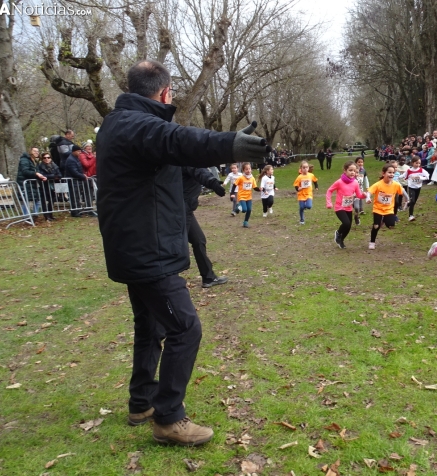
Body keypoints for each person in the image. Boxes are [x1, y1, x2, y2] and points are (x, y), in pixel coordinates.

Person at [95, 59, 269, 446]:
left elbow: (177, 152)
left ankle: (141, 402)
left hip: (134, 248)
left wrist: (209, 172)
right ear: (165, 92)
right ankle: (168, 418)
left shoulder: (117, 124)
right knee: (185, 328)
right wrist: (230, 144)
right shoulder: (136, 126)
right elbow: (178, 140)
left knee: (150, 327)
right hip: (146, 252)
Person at [366, 162, 408, 250]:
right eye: (389, 172)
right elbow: (369, 191)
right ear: (383, 173)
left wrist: (407, 198)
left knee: (391, 225)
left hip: (389, 209)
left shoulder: (396, 184)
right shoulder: (378, 184)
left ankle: (384, 220)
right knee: (376, 226)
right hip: (378, 209)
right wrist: (368, 198)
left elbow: (402, 190)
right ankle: (372, 242)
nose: (391, 174)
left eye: (393, 173)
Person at [326, 160, 366, 249]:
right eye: (350, 170)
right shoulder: (339, 182)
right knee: (346, 223)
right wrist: (329, 202)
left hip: (348, 207)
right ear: (345, 170)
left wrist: (364, 195)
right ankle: (338, 233)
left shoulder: (355, 183)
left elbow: (359, 195)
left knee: (348, 227)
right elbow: (329, 190)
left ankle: (341, 240)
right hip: (339, 207)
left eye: (354, 171)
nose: (353, 173)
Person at [64, 145, 96, 217]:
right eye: (78, 151)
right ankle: (75, 212)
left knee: (77, 196)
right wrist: (83, 176)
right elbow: (74, 171)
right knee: (74, 196)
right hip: (73, 181)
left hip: (78, 180)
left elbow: (79, 169)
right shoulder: (71, 160)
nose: (79, 152)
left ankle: (78, 210)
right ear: (74, 151)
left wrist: (83, 174)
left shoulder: (76, 158)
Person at [16, 147, 45, 215]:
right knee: (26, 201)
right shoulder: (24, 160)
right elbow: (25, 171)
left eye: (37, 151)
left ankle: (35, 214)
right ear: (30, 151)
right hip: (25, 183)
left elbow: (36, 171)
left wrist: (41, 177)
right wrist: (36, 174)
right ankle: (26, 217)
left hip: (33, 183)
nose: (36, 152)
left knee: (37, 200)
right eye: (34, 151)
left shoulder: (34, 161)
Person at [36, 152, 61, 221]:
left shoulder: (54, 165)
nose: (47, 159)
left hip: (53, 186)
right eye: (45, 158)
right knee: (44, 201)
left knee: (52, 200)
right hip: (44, 186)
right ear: (42, 159)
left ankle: (50, 215)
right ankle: (46, 216)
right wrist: (53, 177)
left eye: (48, 157)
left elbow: (59, 175)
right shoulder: (40, 166)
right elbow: (42, 175)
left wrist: (49, 177)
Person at [403, 156, 429, 221]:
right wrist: (396, 177)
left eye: (419, 163)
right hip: (411, 187)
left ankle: (408, 204)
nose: (418, 165)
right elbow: (404, 175)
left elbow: (427, 176)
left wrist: (421, 178)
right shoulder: (409, 170)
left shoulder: (421, 170)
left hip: (418, 187)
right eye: (416, 163)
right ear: (412, 163)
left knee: (413, 202)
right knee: (413, 201)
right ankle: (410, 216)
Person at [293, 160, 318, 225]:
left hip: (309, 194)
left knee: (309, 206)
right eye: (303, 167)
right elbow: (296, 185)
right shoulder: (299, 177)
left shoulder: (311, 175)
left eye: (307, 167)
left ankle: (305, 207)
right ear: (301, 169)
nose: (305, 169)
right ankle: (302, 219)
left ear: (308, 168)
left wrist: (316, 187)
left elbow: (315, 181)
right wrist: (298, 189)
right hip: (301, 194)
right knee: (301, 207)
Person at [234, 163, 257, 228]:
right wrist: (232, 194)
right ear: (243, 170)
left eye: (249, 169)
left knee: (249, 210)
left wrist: (260, 189)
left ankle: (245, 222)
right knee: (244, 210)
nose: (248, 170)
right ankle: (238, 207)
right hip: (241, 196)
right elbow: (234, 185)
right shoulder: (241, 178)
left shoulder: (252, 178)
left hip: (249, 197)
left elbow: (255, 187)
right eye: (246, 169)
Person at [353, 156, 369, 225]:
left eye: (361, 162)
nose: (360, 163)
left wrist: (367, 187)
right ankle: (357, 213)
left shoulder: (363, 171)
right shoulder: (352, 171)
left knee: (357, 207)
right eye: (358, 162)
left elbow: (366, 179)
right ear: (355, 163)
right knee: (355, 206)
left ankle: (357, 216)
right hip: (352, 192)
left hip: (360, 190)